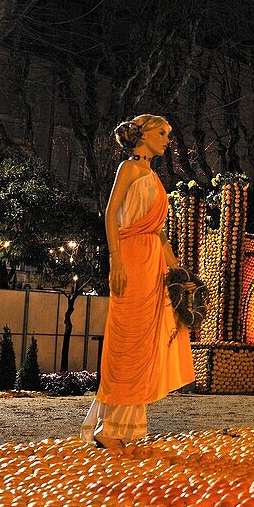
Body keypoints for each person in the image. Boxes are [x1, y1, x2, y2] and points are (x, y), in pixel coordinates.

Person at [80, 114, 194, 451]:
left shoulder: (154, 176)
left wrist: (179, 273)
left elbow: (158, 233)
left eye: (169, 134)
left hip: (152, 265)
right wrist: (115, 260)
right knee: (127, 341)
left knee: (145, 343)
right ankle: (106, 428)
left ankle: (123, 428)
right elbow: (111, 214)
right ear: (143, 136)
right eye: (162, 133)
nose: (167, 140)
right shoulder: (128, 169)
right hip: (130, 260)